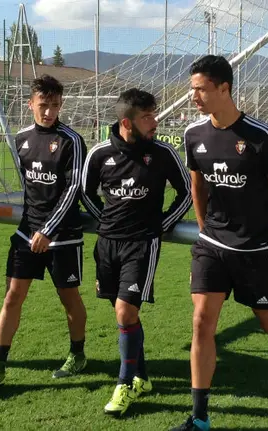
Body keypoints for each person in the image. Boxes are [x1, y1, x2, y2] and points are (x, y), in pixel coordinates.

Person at [172, 55, 268, 431]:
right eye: (192, 89)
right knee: (201, 323)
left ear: (224, 89)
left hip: (256, 252)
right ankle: (199, 417)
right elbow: (197, 183)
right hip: (212, 246)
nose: (192, 96)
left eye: (199, 89)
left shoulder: (262, 136)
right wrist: (203, 228)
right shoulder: (193, 135)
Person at [0, 75, 88, 388]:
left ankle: (77, 354)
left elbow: (74, 188)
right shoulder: (21, 139)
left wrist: (48, 229)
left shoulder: (71, 140)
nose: (49, 111)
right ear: (30, 104)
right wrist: (36, 227)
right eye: (43, 105)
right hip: (27, 233)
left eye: (55, 105)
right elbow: (31, 189)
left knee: (69, 298)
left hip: (62, 235)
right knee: (12, 296)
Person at [81, 88, 192, 416]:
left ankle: (124, 383)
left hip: (142, 243)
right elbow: (85, 192)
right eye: (148, 117)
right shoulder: (99, 154)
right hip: (107, 244)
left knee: (125, 312)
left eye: (154, 114)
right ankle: (142, 376)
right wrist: (106, 221)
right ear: (127, 122)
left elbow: (186, 193)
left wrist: (161, 225)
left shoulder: (162, 153)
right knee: (123, 314)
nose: (155, 121)